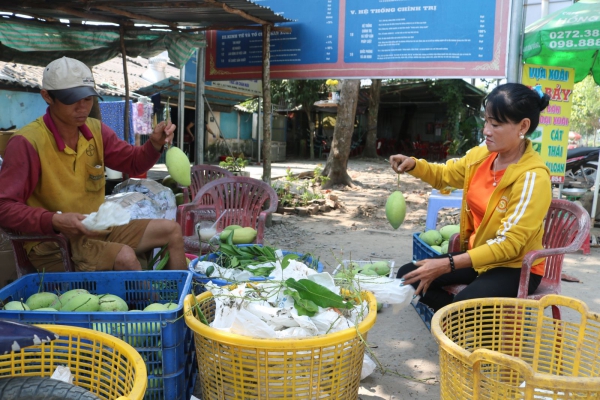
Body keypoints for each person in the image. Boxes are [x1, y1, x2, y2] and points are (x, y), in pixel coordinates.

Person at [0, 56, 187, 272]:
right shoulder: (27, 142)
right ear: (47, 97)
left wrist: (154, 144)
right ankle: (149, 304)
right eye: (72, 99)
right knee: (125, 257)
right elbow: (4, 207)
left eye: (87, 99)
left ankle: (179, 302)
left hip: (97, 229)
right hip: (54, 242)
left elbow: (134, 163)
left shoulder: (96, 130)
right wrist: (54, 220)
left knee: (171, 231)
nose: (82, 107)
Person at [390, 83, 552, 312]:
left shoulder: (533, 178)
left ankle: (461, 321)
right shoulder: (481, 157)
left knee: (462, 307)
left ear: (523, 126)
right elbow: (445, 174)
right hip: (479, 257)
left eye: (495, 124)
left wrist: (447, 264)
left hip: (515, 266)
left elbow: (510, 245)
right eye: (486, 121)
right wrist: (414, 165)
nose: (486, 130)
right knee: (409, 275)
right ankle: (457, 321)